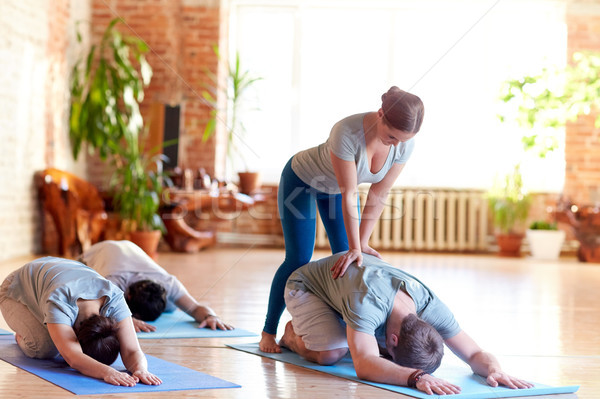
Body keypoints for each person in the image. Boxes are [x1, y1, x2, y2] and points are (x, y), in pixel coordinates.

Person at [261, 86, 424, 352]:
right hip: (302, 182)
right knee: (299, 258)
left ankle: (339, 331)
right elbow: (350, 193)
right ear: (381, 114)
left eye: (403, 141)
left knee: (347, 262)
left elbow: (379, 192)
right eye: (392, 137)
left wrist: (361, 244)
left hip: (334, 190)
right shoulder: (346, 132)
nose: (396, 145)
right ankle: (268, 331)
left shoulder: (403, 144)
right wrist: (355, 247)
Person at [279, 253, 534, 395]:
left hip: (349, 295)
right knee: (331, 354)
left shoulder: (431, 308)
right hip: (307, 287)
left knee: (361, 344)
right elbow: (364, 365)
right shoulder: (367, 304)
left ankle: (345, 328)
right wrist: (415, 377)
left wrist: (494, 369)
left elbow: (475, 353)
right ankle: (292, 335)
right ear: (393, 340)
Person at [0, 256, 162, 387]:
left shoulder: (114, 298)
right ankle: (22, 335)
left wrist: (140, 370)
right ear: (76, 334)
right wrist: (108, 372)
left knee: (60, 343)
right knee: (45, 349)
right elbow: (73, 357)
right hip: (13, 291)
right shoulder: (60, 302)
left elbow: (132, 350)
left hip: (53, 271)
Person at [80, 240, 232, 332]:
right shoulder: (114, 281)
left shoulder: (169, 284)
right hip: (94, 253)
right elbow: (94, 308)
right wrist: (125, 319)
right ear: (128, 295)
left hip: (129, 250)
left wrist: (211, 316)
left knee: (172, 306)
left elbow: (194, 308)